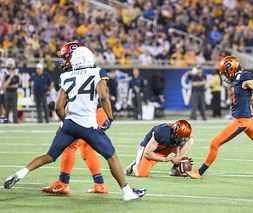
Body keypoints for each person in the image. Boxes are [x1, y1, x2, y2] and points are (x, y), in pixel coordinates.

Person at [4, 46, 146, 201]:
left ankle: (23, 171)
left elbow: (58, 106)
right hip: (88, 126)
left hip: (70, 124)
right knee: (111, 156)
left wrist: (65, 122)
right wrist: (110, 118)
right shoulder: (97, 72)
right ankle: (126, 192)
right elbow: (104, 97)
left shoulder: (66, 76)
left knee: (50, 155)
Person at [41, 42, 109, 195]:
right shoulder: (90, 70)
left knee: (68, 146)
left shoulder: (72, 74)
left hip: (88, 113)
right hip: (98, 112)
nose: (64, 61)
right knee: (87, 150)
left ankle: (63, 183)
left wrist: (65, 121)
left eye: (66, 58)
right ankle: (100, 184)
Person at [124, 120, 193, 177]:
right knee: (141, 174)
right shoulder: (162, 133)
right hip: (151, 151)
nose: (181, 141)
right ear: (174, 133)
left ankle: (175, 168)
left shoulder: (178, 137)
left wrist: (182, 161)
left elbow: (175, 158)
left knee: (190, 140)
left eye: (183, 138)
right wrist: (164, 159)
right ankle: (134, 165)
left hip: (166, 147)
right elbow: (147, 153)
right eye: (179, 138)